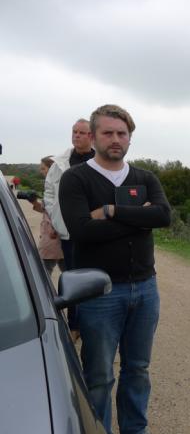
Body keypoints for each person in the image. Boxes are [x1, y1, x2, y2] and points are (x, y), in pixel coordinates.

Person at [59, 104, 171, 434]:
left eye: (122, 133)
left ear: (130, 138)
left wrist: (109, 210)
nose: (115, 139)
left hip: (145, 288)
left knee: (138, 370)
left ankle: (135, 430)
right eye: (107, 133)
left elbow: (163, 216)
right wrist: (140, 220)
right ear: (93, 137)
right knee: (98, 376)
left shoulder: (144, 178)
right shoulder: (75, 179)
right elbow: (81, 230)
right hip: (99, 292)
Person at [43, 118, 95, 334]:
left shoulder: (100, 161)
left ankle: (93, 323)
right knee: (73, 277)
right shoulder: (60, 163)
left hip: (95, 231)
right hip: (68, 232)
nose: (76, 136)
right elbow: (49, 193)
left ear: (91, 136)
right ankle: (74, 326)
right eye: (74, 131)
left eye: (82, 132)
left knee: (95, 276)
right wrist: (55, 220)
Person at [30, 156, 65, 275]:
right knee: (68, 271)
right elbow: (47, 210)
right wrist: (34, 202)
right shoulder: (50, 185)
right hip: (53, 236)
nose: (41, 171)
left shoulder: (59, 186)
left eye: (43, 168)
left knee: (42, 274)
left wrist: (55, 228)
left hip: (53, 236)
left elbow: (61, 211)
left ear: (52, 169)